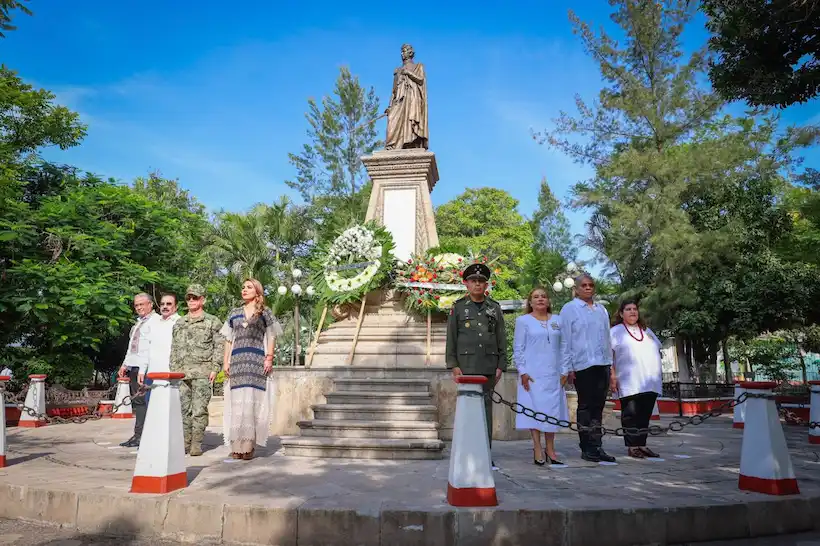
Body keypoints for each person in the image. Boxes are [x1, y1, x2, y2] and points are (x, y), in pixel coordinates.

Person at [445, 262, 507, 468]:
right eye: (473, 281)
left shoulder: (494, 308)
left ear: (486, 284)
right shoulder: (459, 307)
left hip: (488, 366)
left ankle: (485, 455)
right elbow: (451, 338)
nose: (477, 284)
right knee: (467, 411)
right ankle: (467, 453)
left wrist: (501, 364)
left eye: (481, 281)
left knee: (486, 412)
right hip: (467, 366)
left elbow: (501, 338)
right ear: (466, 284)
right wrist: (453, 364)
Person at [220, 278, 282, 460]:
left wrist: (269, 358)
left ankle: (248, 446)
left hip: (256, 363)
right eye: (243, 287)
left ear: (257, 291)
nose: (244, 290)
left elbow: (271, 336)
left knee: (251, 403)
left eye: (249, 287)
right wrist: (226, 362)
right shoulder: (234, 313)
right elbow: (229, 339)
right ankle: (236, 446)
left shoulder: (265, 312)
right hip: (238, 362)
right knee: (237, 404)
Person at [559, 273, 616, 463]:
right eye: (583, 285)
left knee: (598, 407)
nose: (588, 288)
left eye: (591, 285)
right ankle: (587, 447)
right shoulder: (570, 309)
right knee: (585, 406)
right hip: (582, 364)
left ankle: (597, 445)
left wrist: (610, 365)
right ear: (576, 288)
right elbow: (565, 339)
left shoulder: (601, 310)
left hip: (602, 364)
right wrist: (568, 368)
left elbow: (607, 338)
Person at [514, 287, 568, 466]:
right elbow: (518, 349)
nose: (540, 299)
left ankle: (550, 449)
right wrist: (523, 371)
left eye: (543, 296)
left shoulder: (558, 321)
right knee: (534, 410)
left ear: (548, 301)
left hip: (553, 374)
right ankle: (537, 447)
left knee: (551, 411)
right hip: (532, 374)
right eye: (536, 297)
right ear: (530, 302)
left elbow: (565, 347)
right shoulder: (523, 321)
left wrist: (564, 371)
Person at [169, 284, 224, 457]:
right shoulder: (179, 323)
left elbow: (219, 346)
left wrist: (215, 368)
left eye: (195, 297)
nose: (192, 301)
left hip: (202, 372)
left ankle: (196, 443)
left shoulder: (212, 321)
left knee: (199, 410)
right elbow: (174, 348)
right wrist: (173, 370)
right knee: (183, 410)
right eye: (189, 298)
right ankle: (185, 442)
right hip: (182, 373)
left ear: (203, 300)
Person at [610, 299, 663, 459]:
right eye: (628, 309)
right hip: (628, 380)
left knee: (644, 414)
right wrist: (612, 375)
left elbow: (657, 347)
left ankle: (642, 444)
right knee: (631, 414)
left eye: (634, 309)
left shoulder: (646, 330)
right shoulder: (615, 331)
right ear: (621, 313)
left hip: (649, 380)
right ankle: (632, 446)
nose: (632, 312)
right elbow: (608, 355)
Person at [118, 293, 158, 448]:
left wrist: (143, 370)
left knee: (145, 402)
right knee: (138, 402)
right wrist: (125, 364)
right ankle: (138, 435)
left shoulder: (155, 322)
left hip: (147, 369)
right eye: (136, 305)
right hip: (134, 367)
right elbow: (132, 347)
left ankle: (144, 436)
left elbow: (149, 348)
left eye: (142, 304)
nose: (139, 307)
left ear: (150, 304)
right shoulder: (138, 323)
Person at [139, 293, 181, 406]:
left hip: (172, 376)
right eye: (162, 304)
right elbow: (146, 348)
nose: (165, 306)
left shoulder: (180, 323)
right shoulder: (153, 323)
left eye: (169, 304)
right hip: (152, 374)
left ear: (176, 307)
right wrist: (142, 370)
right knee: (151, 408)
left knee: (170, 410)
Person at [385, 43, 428, 150]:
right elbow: (394, 90)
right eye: (401, 51)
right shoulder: (397, 70)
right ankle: (392, 145)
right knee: (391, 120)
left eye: (404, 51)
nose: (402, 53)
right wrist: (390, 106)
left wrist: (408, 73)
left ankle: (410, 142)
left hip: (412, 99)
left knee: (410, 121)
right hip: (398, 101)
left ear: (410, 53)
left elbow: (421, 79)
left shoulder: (418, 66)